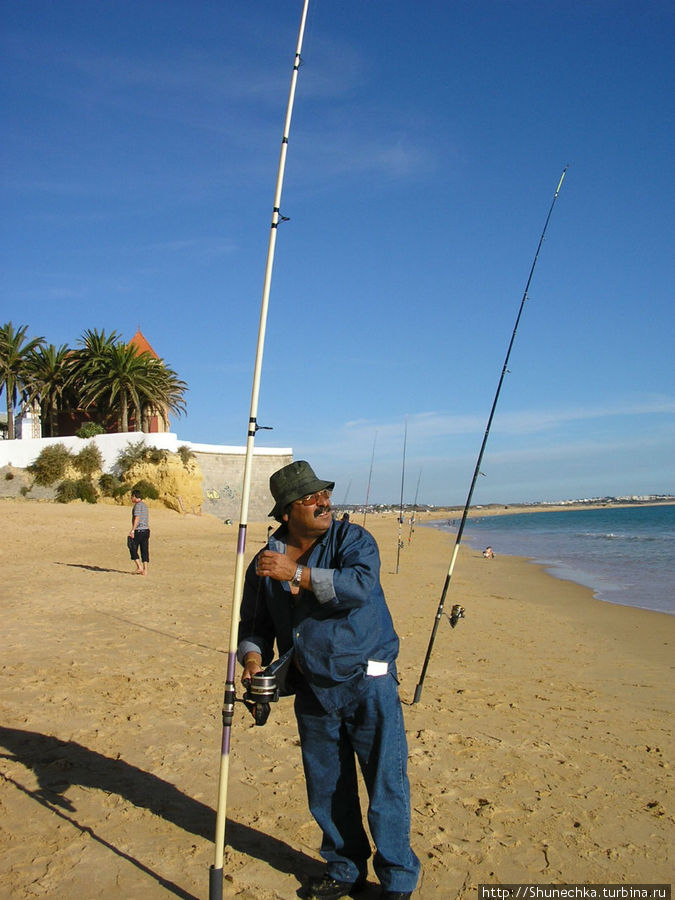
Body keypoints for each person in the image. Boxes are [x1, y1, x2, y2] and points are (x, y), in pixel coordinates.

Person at [238, 461, 420, 900]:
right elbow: (253, 623)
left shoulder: (353, 539)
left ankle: (397, 880)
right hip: (312, 687)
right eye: (310, 498)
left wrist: (296, 575)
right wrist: (253, 657)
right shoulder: (264, 564)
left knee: (385, 782)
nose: (324, 502)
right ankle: (344, 869)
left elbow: (358, 586)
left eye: (324, 493)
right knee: (327, 785)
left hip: (368, 681)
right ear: (286, 513)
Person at [127, 489, 150, 575]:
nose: (131, 498)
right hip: (146, 530)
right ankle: (145, 569)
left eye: (131, 497)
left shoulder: (137, 506)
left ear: (134, 496)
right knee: (144, 549)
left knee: (132, 546)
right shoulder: (144, 505)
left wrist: (132, 530)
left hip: (139, 530)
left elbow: (137, 518)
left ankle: (139, 567)